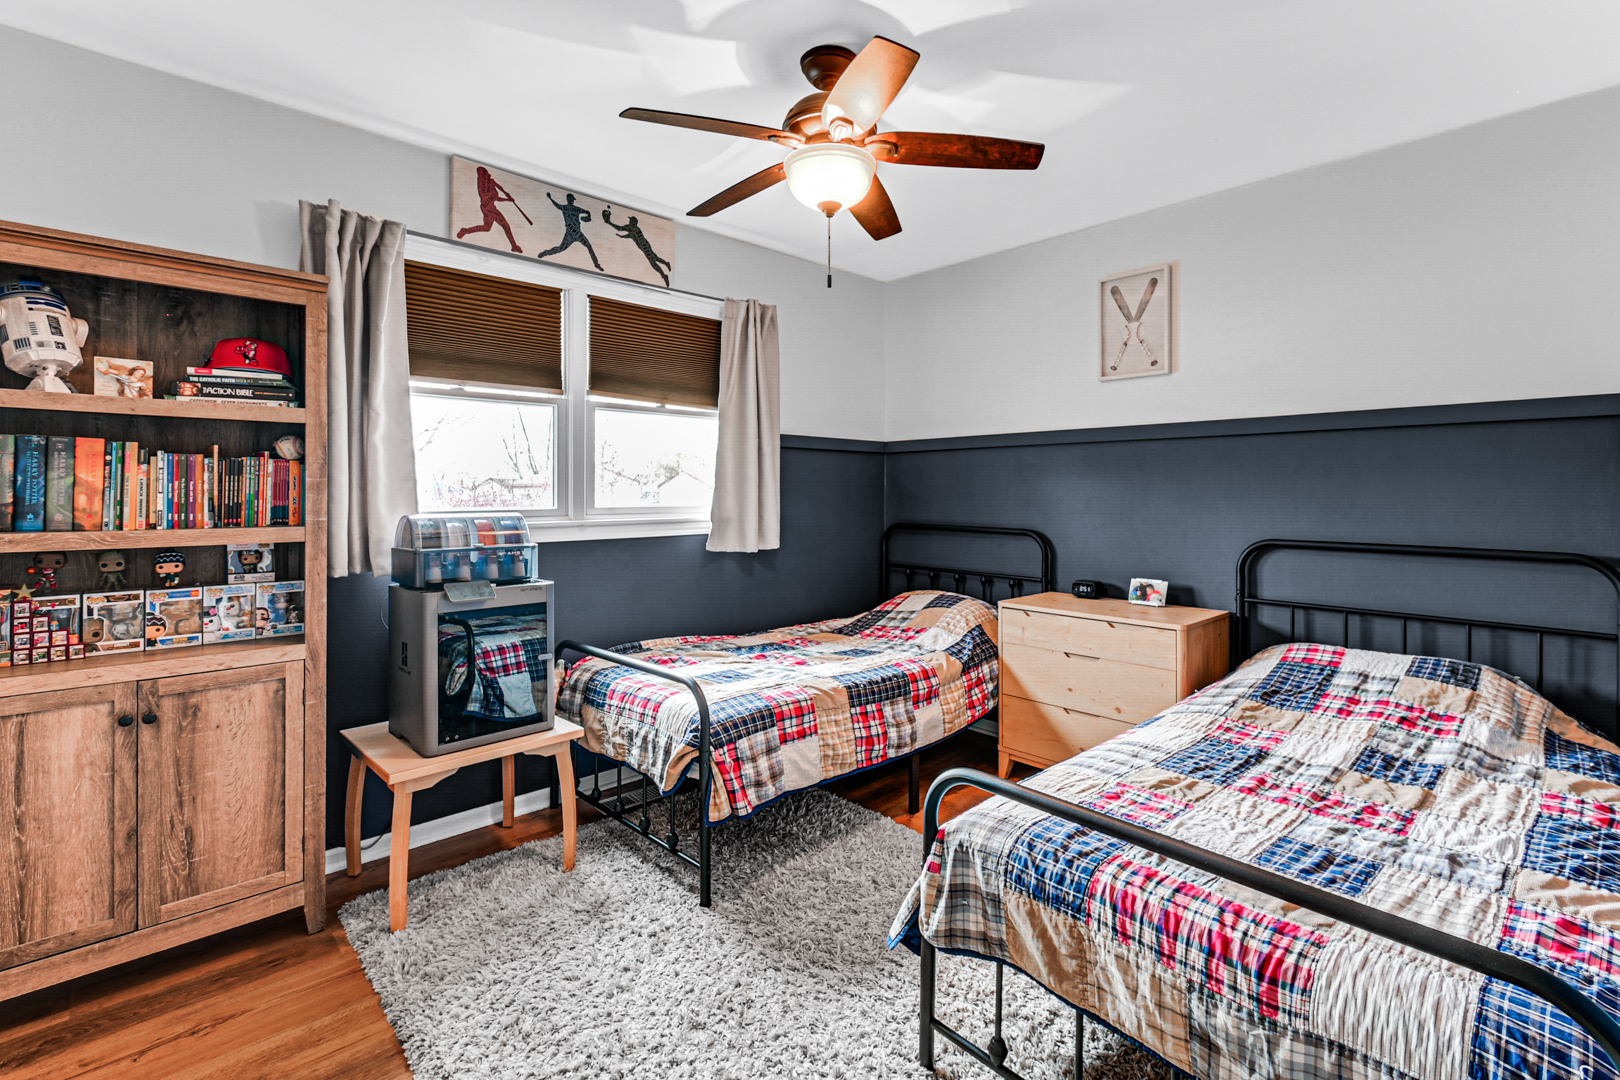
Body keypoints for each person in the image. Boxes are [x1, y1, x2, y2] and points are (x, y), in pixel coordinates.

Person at [456, 166, 527, 253]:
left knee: (487, 228)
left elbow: (499, 188)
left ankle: (466, 230)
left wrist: (507, 195)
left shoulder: (490, 182)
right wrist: (507, 199)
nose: (488, 175)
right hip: (488, 209)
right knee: (505, 226)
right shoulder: (483, 187)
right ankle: (514, 246)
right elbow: (496, 198)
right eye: (485, 173)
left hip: (490, 208)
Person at [602, 208, 672, 286]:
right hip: (645, 246)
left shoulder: (631, 228)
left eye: (631, 221)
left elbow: (620, 229)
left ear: (633, 222)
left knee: (653, 262)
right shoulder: (632, 229)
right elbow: (630, 235)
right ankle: (666, 264)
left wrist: (609, 222)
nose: (629, 222)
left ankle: (664, 276)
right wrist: (622, 236)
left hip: (645, 247)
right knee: (655, 258)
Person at [536, 192, 603, 270]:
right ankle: (546, 253)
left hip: (576, 234)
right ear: (571, 200)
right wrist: (587, 217)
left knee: (586, 246)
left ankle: (596, 264)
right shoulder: (572, 208)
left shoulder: (568, 208)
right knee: (562, 248)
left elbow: (557, 205)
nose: (572, 201)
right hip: (572, 234)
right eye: (572, 199)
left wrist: (550, 198)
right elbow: (587, 212)